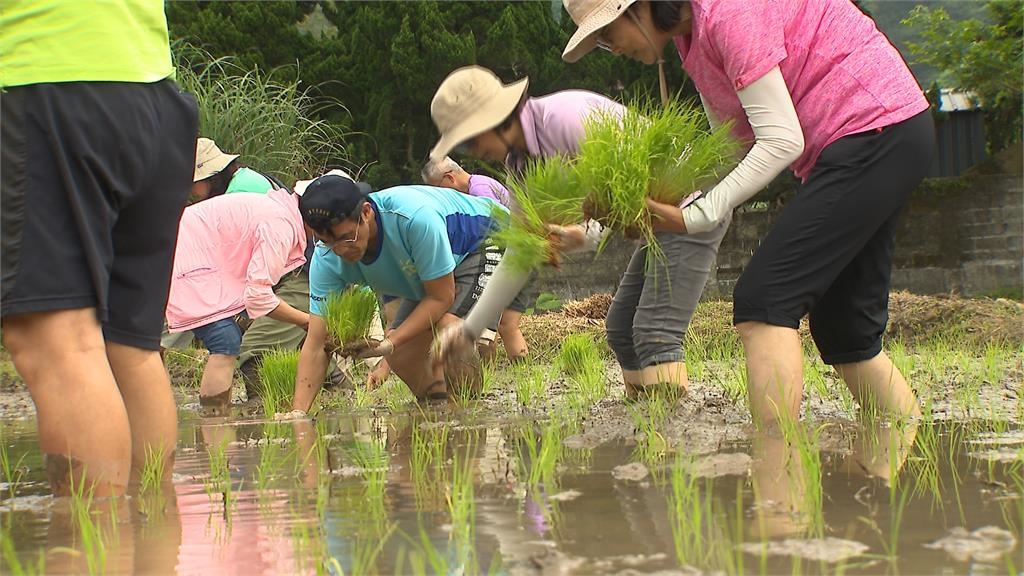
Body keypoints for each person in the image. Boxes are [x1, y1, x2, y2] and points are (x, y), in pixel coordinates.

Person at [560, 0, 934, 425]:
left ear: (640, 7)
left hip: (873, 129)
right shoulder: (693, 40)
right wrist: (643, 204)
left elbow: (780, 141)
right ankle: (903, 460)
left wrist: (694, 216)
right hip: (877, 139)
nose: (614, 48)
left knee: (766, 298)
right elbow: (732, 151)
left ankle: (774, 471)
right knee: (846, 329)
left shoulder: (729, 12)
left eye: (607, 35)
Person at [429, 65, 731, 400]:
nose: (471, 152)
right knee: (620, 329)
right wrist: (468, 332)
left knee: (654, 331)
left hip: (690, 206)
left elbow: (624, 191)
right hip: (654, 226)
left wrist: (587, 230)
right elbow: (521, 253)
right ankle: (646, 427)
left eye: (469, 140)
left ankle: (676, 441)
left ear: (493, 119)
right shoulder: (522, 168)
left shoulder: (564, 119)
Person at [0, 0, 198, 496]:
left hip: (41, 76)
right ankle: (152, 547)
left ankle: (90, 552)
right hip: (150, 92)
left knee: (58, 342)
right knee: (128, 347)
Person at [292, 173, 507, 412]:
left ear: (366, 213)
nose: (341, 250)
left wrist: (389, 342)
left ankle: (467, 413)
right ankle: (437, 409)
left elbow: (441, 297)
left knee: (449, 330)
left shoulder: (414, 219)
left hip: (485, 239)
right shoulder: (326, 257)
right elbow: (316, 342)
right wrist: (298, 413)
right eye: (328, 242)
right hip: (432, 269)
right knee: (401, 353)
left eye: (347, 238)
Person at [165, 187, 311, 414]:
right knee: (224, 339)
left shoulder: (277, 210)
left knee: (146, 342)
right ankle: (213, 421)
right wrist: (306, 321)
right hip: (180, 260)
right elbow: (258, 297)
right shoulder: (281, 225)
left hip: (179, 253)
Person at [421, 156, 530, 363]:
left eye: (437, 188)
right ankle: (520, 375)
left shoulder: (479, 191)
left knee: (488, 329)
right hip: (520, 255)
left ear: (449, 178)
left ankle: (489, 375)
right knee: (507, 325)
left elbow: (497, 237)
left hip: (513, 257)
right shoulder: (477, 187)